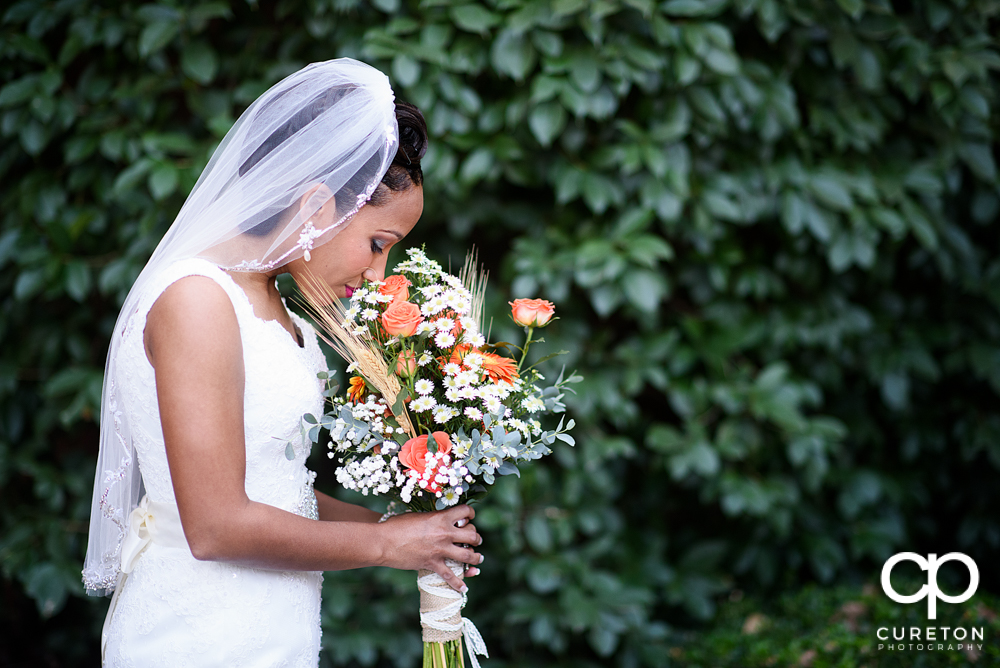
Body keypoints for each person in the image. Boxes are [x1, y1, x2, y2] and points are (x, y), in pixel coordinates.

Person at [83, 58, 484, 667]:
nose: (378, 274)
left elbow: (281, 494)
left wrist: (412, 532)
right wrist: (384, 548)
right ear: (317, 205)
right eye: (378, 245)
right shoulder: (196, 300)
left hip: (277, 633)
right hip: (195, 637)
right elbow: (217, 525)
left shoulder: (287, 316)